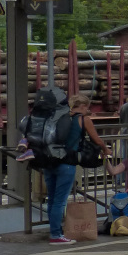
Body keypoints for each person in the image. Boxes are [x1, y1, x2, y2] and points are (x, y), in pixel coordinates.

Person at [44, 94, 109, 245]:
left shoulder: (57, 117)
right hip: (67, 163)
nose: (88, 110)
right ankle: (56, 235)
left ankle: (55, 231)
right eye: (87, 107)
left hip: (49, 163)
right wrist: (106, 150)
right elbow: (96, 140)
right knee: (60, 201)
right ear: (82, 106)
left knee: (52, 200)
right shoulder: (83, 119)